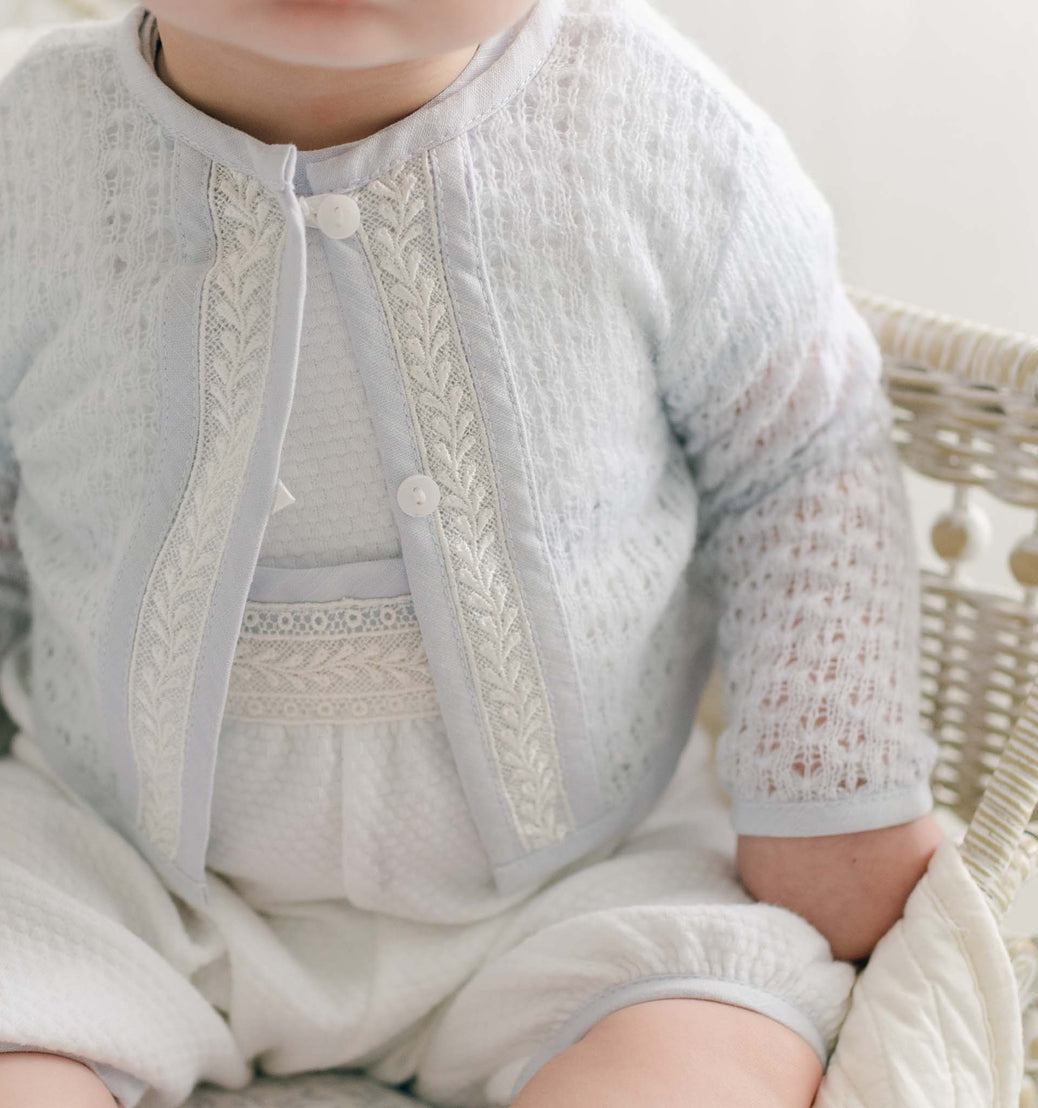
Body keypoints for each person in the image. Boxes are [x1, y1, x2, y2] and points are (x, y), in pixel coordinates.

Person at [0, 0, 944, 1105]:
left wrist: (830, 795)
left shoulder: (654, 127)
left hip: (586, 881)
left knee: (711, 1053)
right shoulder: (35, 149)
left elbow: (798, 453)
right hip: (110, 875)